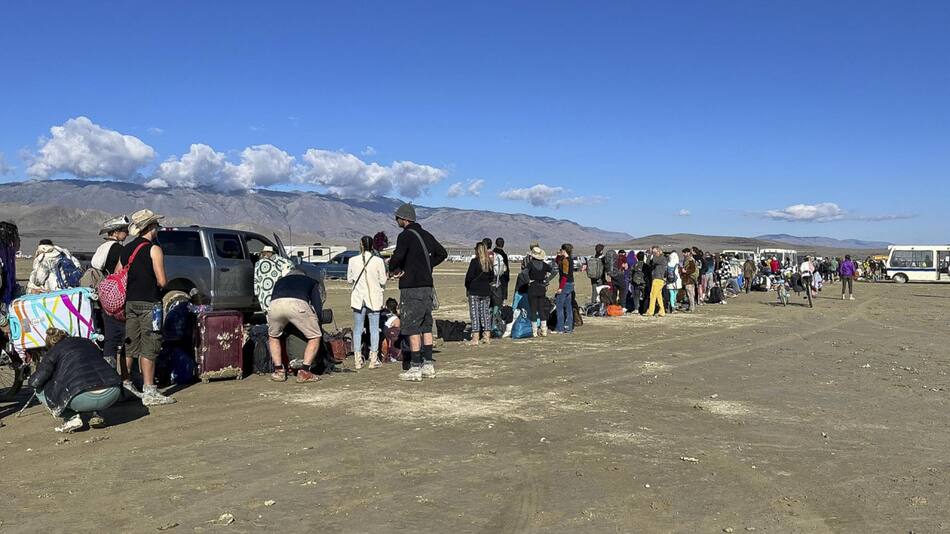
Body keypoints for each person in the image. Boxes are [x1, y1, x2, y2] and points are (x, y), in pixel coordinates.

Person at [118, 209, 174, 406]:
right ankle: (149, 390)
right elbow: (162, 281)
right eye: (156, 225)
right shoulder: (154, 249)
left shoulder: (126, 249)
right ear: (151, 227)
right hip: (150, 303)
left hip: (129, 302)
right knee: (150, 345)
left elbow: (118, 273)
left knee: (130, 345)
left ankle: (125, 385)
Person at [388, 203, 447, 382]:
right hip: (427, 286)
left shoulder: (405, 236)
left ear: (404, 219)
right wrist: (426, 267)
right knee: (426, 326)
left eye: (397, 218)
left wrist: (395, 269)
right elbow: (442, 253)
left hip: (411, 287)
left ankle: (415, 368)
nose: (396, 221)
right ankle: (428, 364)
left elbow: (397, 257)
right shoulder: (427, 235)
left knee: (412, 327)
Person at [28, 328, 122, 433]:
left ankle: (71, 418)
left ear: (50, 343)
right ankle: (96, 414)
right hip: (112, 391)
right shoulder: (88, 342)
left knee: (40, 389)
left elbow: (36, 381)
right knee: (92, 375)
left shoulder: (54, 351)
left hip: (83, 397)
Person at [267, 268, 324, 382]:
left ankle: (279, 371)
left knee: (273, 336)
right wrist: (318, 321)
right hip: (297, 304)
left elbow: (273, 298)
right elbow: (317, 305)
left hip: (274, 305)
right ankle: (305, 371)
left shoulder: (280, 281)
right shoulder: (310, 281)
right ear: (303, 275)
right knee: (315, 336)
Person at [92, 216, 130, 370]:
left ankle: (107, 371)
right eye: (124, 231)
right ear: (115, 232)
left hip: (103, 295)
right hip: (117, 296)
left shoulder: (102, 248)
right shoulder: (118, 250)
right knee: (121, 336)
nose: (127, 233)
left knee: (109, 336)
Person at [348, 236, 388, 369]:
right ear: (372, 246)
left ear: (361, 245)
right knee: (374, 329)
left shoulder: (352, 260)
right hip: (374, 299)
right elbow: (383, 280)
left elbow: (349, 279)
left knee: (358, 329)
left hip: (358, 298)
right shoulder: (378, 261)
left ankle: (357, 359)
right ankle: (373, 359)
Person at [465, 242, 495, 346]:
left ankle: (475, 338)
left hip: (474, 291)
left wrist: (468, 286)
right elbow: (492, 277)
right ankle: (486, 336)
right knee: (485, 314)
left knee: (475, 314)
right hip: (486, 291)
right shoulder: (489, 263)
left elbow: (469, 277)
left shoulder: (474, 262)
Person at [524, 244, 553, 336]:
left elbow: (524, 273)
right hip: (542, 287)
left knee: (533, 310)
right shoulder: (545, 265)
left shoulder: (530, 264)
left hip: (532, 287)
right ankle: (544, 330)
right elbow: (555, 271)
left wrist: (528, 280)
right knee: (541, 309)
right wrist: (547, 280)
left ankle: (534, 332)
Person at [254, 245, 294, 312]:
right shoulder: (280, 260)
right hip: (275, 287)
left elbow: (256, 278)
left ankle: (269, 318)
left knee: (266, 307)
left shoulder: (258, 263)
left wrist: (256, 291)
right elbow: (290, 264)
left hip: (263, 290)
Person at [554, 243, 575, 333]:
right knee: (568, 306)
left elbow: (564, 275)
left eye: (561, 250)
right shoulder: (570, 259)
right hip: (570, 284)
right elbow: (557, 261)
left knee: (559, 306)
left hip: (565, 284)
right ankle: (569, 327)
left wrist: (561, 288)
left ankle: (560, 328)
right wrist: (558, 256)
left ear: (564, 250)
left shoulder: (566, 261)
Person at [646, 246, 668, 317]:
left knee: (652, 295)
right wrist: (649, 255)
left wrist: (652, 253)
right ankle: (662, 311)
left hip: (658, 279)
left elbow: (655, 260)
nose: (654, 253)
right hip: (656, 279)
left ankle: (651, 311)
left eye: (655, 252)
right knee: (659, 297)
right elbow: (648, 263)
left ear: (659, 251)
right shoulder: (657, 258)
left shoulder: (662, 258)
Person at [493, 238, 510, 305]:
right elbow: (506, 269)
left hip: (492, 279)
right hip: (502, 279)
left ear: (495, 244)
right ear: (503, 245)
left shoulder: (492, 254)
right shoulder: (504, 255)